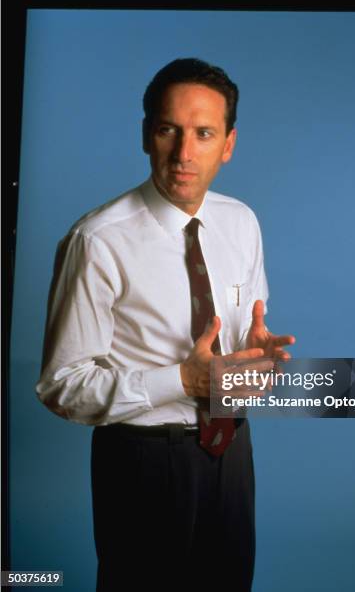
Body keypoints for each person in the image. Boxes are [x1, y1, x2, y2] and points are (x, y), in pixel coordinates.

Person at [36, 57, 295, 591]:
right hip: (141, 461)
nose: (183, 153)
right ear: (146, 135)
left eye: (203, 134)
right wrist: (181, 380)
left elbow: (241, 344)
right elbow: (61, 387)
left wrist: (254, 357)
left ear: (228, 144)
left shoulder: (242, 222)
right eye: (168, 130)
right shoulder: (98, 241)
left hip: (231, 453)